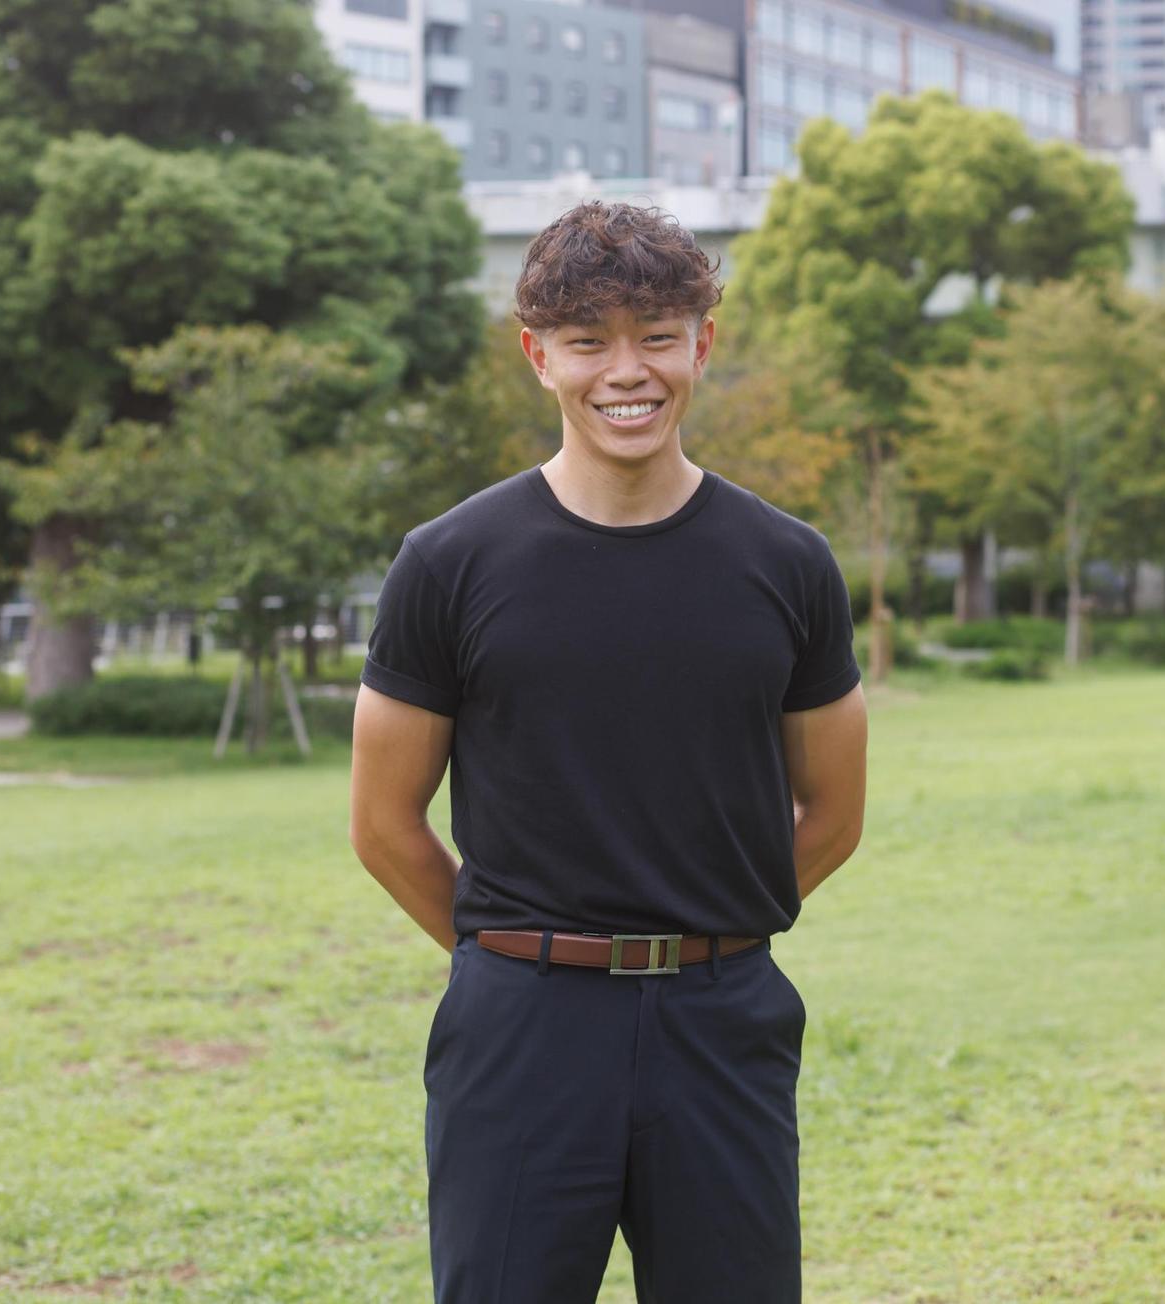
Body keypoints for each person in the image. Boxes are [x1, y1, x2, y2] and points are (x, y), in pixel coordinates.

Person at [348, 199, 869, 1304]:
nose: (625, 372)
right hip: (521, 1030)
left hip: (723, 1021)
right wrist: (510, 956)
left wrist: (712, 930)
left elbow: (832, 811)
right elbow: (385, 824)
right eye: (588, 341)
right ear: (539, 356)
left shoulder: (788, 563)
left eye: (656, 337)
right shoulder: (447, 562)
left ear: (702, 345)